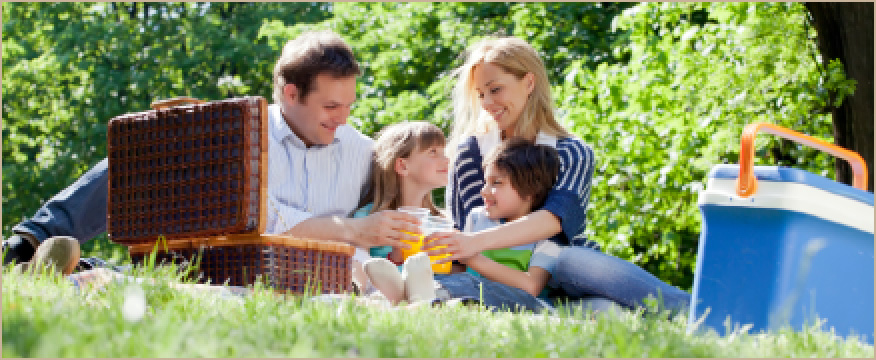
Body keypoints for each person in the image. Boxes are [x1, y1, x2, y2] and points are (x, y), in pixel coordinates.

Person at [2, 30, 420, 269]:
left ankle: (76, 269)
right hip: (216, 262)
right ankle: (31, 241)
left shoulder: (364, 153)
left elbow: (400, 208)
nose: (343, 119)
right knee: (148, 150)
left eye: (349, 106)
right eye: (330, 107)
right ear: (291, 94)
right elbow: (263, 217)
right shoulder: (235, 135)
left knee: (125, 278)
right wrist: (350, 231)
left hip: (300, 276)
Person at [425, 36, 690, 315]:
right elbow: (463, 232)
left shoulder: (572, 153)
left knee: (571, 260)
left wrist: (474, 244)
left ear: (529, 83)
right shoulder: (471, 153)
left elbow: (554, 220)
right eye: (481, 94)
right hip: (500, 282)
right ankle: (552, 312)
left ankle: (694, 311)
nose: (487, 103)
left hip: (562, 275)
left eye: (495, 90)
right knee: (606, 312)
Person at [365, 138, 566, 312]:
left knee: (469, 284)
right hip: (471, 296)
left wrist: (472, 258)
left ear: (530, 191)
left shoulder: (547, 238)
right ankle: (403, 292)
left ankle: (405, 294)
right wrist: (439, 254)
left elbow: (531, 286)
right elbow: (461, 271)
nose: (484, 191)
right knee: (450, 281)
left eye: (496, 183)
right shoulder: (478, 218)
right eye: (486, 182)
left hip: (526, 304)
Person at [347, 121, 451, 295]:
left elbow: (455, 273)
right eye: (433, 152)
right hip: (384, 293)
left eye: (443, 152)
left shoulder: (439, 222)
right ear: (403, 166)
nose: (446, 159)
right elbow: (360, 268)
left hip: (438, 289)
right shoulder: (368, 219)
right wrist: (395, 257)